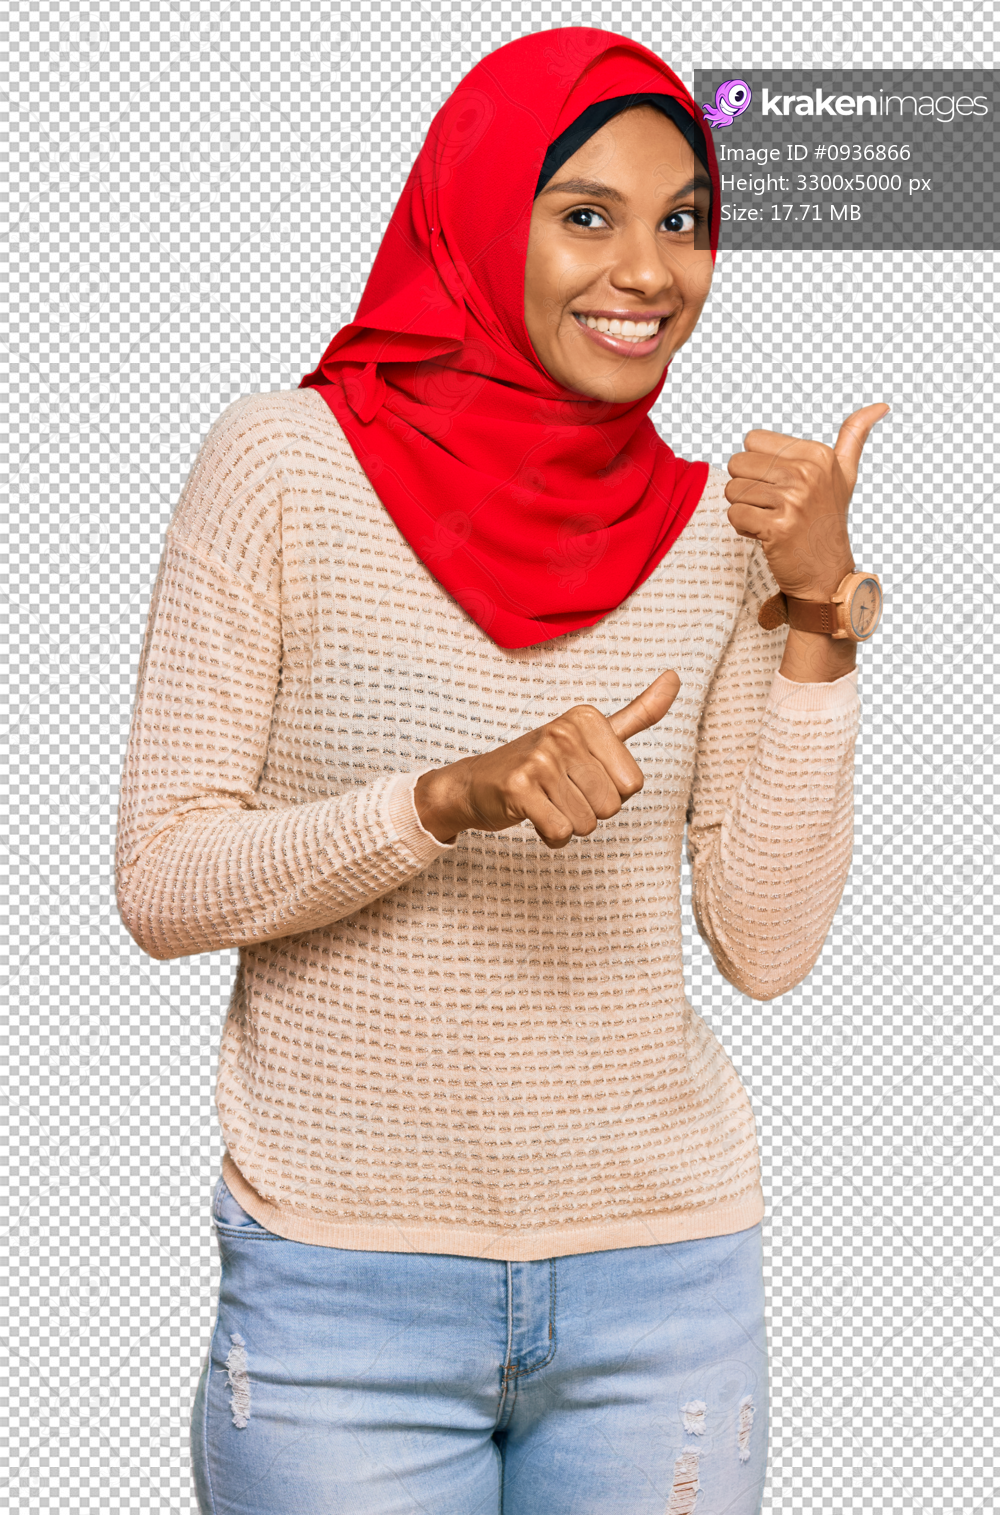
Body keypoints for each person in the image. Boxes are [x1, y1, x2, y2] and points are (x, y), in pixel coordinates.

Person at [115, 26, 886, 1515]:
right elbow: (161, 878)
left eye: (686, 220)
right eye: (586, 213)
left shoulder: (725, 530)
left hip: (664, 1294)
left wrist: (815, 612)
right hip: (344, 1301)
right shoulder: (280, 467)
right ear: (475, 219)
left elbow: (768, 943)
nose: (649, 271)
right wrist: (440, 800)